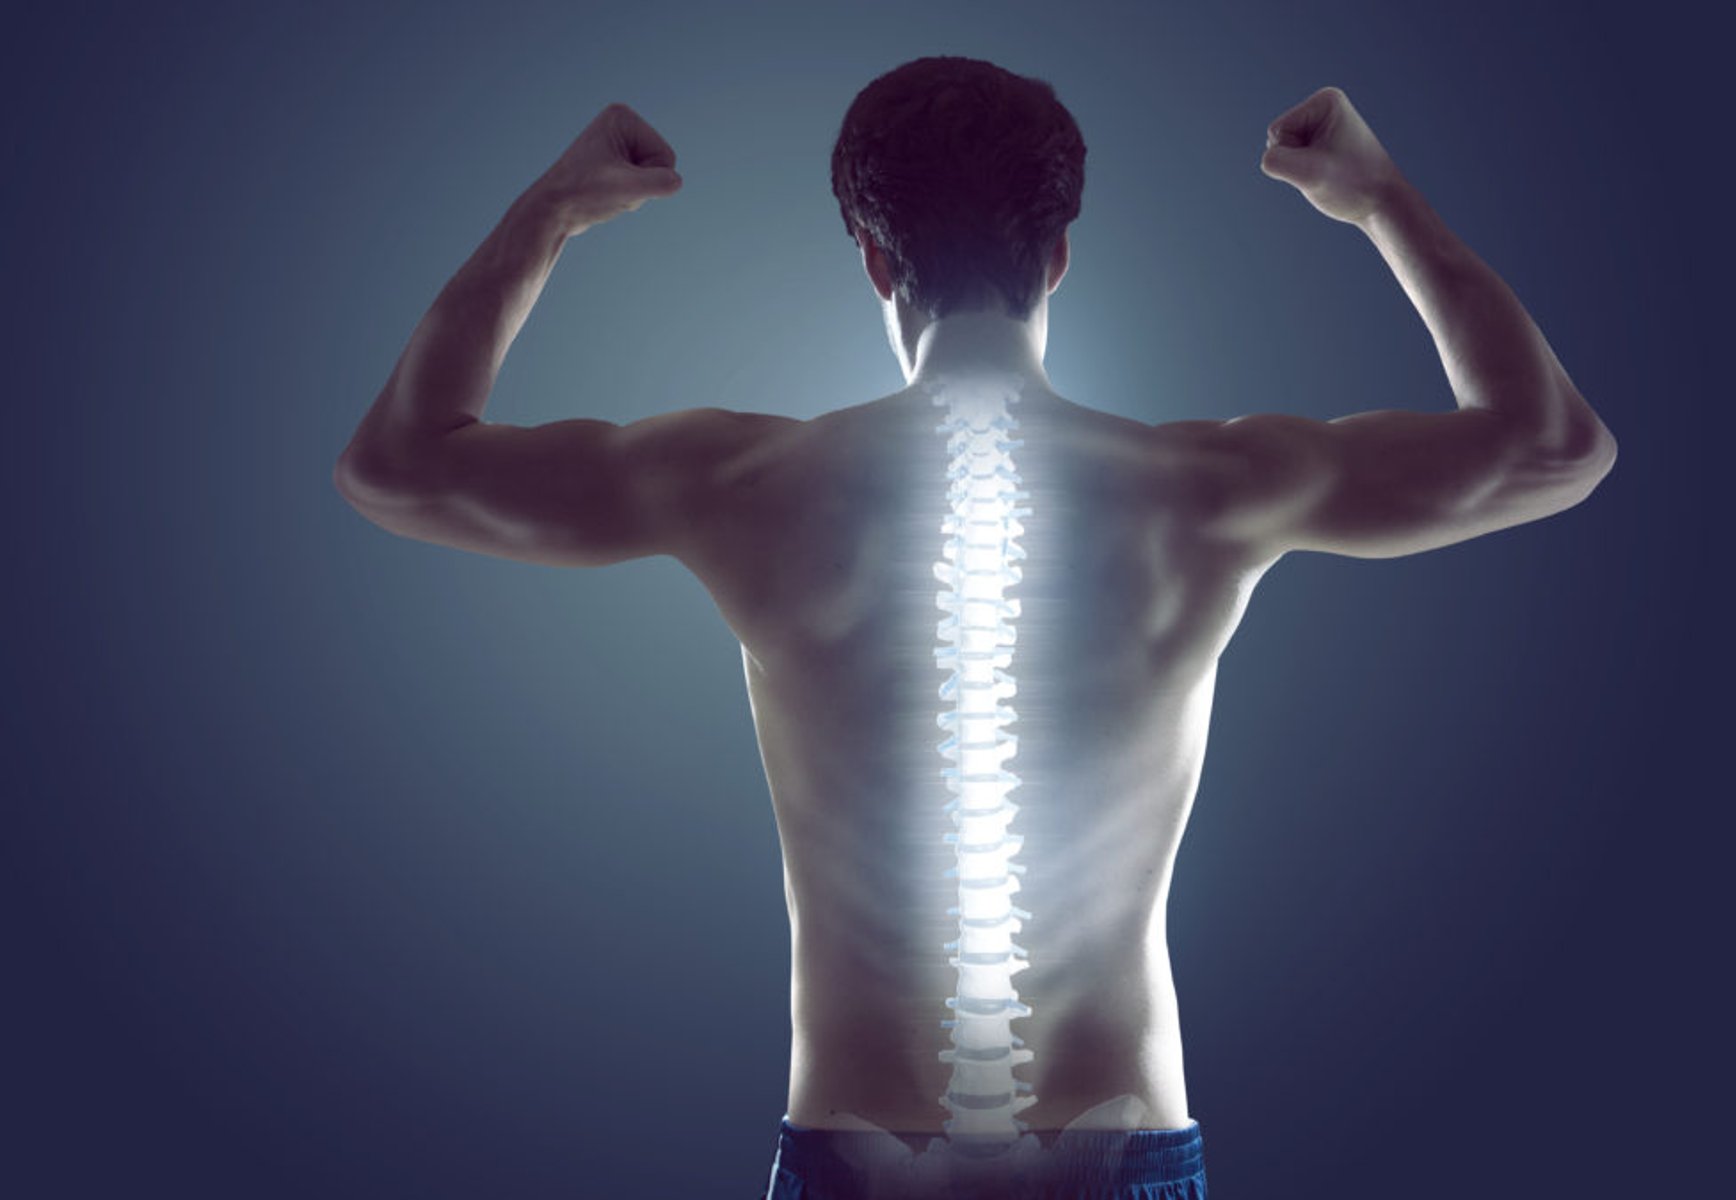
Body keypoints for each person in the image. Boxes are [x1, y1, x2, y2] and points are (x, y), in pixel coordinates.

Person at [334, 56, 1616, 1200]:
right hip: (1121, 1143)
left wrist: (554, 209)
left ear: (874, 259)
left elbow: (399, 464)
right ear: (1057, 255)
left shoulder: (737, 486)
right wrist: (1379, 198)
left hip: (849, 1145)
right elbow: (1553, 448)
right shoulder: (1213, 487)